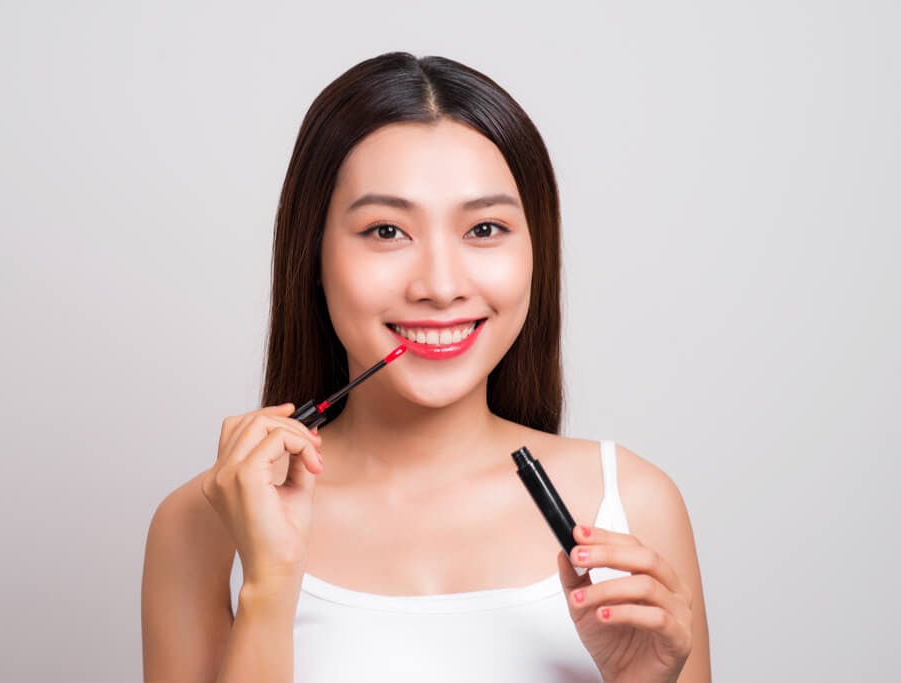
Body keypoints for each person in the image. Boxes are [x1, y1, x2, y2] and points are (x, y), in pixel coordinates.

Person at [141, 52, 711, 683]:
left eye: (485, 228)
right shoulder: (200, 523)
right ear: (313, 255)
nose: (440, 286)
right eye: (386, 231)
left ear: (536, 255)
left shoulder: (633, 503)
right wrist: (270, 587)